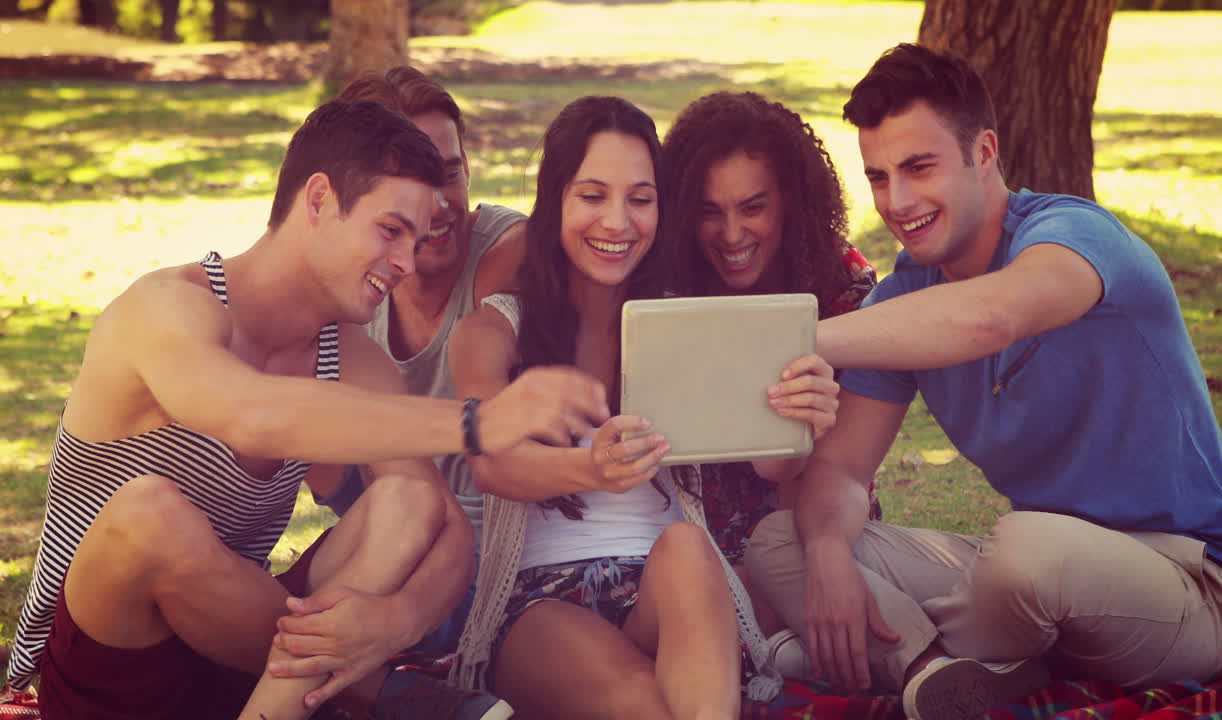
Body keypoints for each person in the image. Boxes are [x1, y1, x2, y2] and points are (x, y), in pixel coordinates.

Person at [5, 99, 610, 720]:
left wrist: (391, 620)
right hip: (102, 668)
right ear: (318, 200)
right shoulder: (165, 308)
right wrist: (479, 422)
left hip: (235, 664)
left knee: (409, 500)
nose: (406, 264)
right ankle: (372, 691)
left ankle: (325, 694)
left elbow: (444, 527)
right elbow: (251, 413)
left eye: (416, 239)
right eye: (390, 230)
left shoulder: (351, 357)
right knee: (148, 512)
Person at [745, 43, 1222, 720]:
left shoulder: (1074, 238)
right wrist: (833, 554)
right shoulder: (907, 300)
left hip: (1178, 588)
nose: (898, 201)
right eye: (879, 176)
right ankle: (934, 671)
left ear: (983, 153)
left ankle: (885, 652)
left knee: (1024, 548)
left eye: (919, 167)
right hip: (1032, 586)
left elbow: (990, 318)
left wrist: (804, 337)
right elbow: (837, 471)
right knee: (782, 541)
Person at [443, 95, 839, 720]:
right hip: (542, 601)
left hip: (669, 593)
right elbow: (494, 466)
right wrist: (591, 471)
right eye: (593, 196)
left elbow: (771, 464)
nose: (618, 222)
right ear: (556, 203)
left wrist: (800, 418)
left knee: (687, 544)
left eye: (640, 198)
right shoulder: (495, 332)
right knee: (645, 703)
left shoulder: (682, 321)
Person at [303, 66, 527, 658]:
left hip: (492, 563)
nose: (438, 204)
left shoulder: (504, 254)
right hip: (396, 531)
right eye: (410, 180)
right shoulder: (356, 285)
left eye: (450, 173)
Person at [661, 90, 877, 672]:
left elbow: (844, 470)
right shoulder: (664, 292)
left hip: (813, 519)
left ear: (791, 200)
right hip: (690, 536)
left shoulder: (843, 289)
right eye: (709, 211)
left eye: (752, 207)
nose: (731, 234)